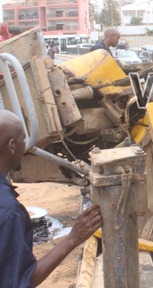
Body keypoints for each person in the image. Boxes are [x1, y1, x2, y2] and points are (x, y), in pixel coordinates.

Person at [0, 110, 102, 287]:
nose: (26, 146)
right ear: (11, 146)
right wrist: (73, 238)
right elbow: (19, 282)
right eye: (23, 139)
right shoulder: (8, 211)